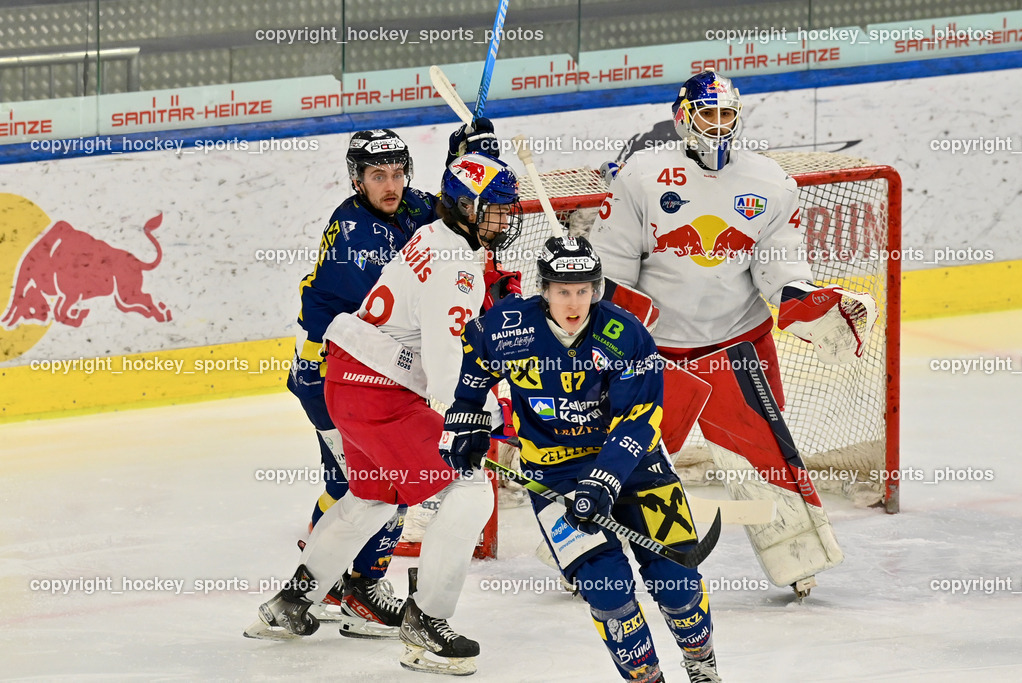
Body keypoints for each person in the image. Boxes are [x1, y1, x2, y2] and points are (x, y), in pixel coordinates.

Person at [590, 70, 875, 593]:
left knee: (765, 450)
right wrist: (604, 339)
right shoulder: (640, 177)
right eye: (707, 114)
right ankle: (586, 553)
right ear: (683, 117)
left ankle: (796, 558)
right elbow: (612, 270)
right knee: (619, 453)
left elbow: (779, 269)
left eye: (726, 114)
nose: (718, 126)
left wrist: (812, 304)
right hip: (656, 349)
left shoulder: (770, 182)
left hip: (735, 341)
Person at [250, 151, 522, 676]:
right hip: (380, 392)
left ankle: (292, 602)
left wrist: (472, 150)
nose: (505, 220)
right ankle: (428, 623)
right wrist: (491, 419)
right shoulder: (458, 266)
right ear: (467, 208)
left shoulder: (435, 233)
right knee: (469, 487)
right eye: (496, 210)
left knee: (372, 496)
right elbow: (448, 375)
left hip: (349, 382)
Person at [448, 236, 720, 683]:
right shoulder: (508, 326)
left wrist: (602, 481)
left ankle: (702, 664)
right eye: (561, 291)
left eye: (582, 290)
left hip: (634, 464)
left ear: (596, 288)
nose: (573, 303)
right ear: (544, 290)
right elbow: (476, 354)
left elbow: (639, 420)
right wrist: (467, 416)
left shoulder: (626, 333)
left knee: (677, 581)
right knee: (608, 592)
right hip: (554, 476)